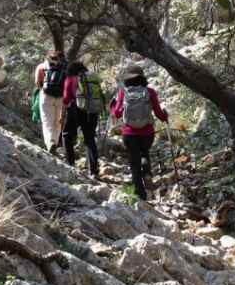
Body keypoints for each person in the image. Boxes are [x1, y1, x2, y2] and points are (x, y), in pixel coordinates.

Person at [109, 64, 168, 200]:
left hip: (129, 134)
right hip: (147, 133)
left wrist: (112, 107)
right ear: (142, 78)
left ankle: (140, 195)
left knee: (134, 163)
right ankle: (147, 172)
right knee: (144, 152)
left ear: (127, 79)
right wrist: (165, 116)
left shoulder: (124, 92)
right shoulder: (150, 92)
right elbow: (159, 113)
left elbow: (117, 114)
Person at [62, 61, 106, 178]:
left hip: (75, 110)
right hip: (92, 111)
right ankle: (94, 171)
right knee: (89, 139)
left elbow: (66, 98)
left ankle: (70, 164)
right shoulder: (91, 78)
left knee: (67, 135)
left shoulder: (71, 79)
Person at [34, 50, 67, 153]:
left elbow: (37, 82)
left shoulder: (41, 66)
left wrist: (42, 89)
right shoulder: (65, 68)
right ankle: (55, 144)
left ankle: (50, 142)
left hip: (46, 96)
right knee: (57, 123)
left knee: (47, 122)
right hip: (60, 98)